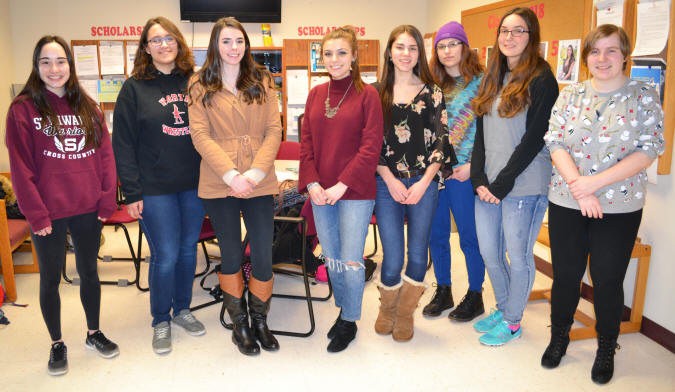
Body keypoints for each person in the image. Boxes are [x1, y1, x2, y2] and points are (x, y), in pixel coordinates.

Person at [541, 24, 664, 385]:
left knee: (608, 280)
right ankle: (559, 335)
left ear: (625, 54)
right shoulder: (571, 94)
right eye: (595, 51)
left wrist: (594, 184)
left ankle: (607, 345)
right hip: (567, 200)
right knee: (565, 274)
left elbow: (649, 149)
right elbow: (556, 142)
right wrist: (582, 189)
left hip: (620, 206)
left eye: (612, 50)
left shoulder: (642, 95)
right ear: (586, 58)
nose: (603, 58)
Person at [5, 35, 119, 376]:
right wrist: (35, 214)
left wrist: (106, 198)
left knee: (89, 273)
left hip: (87, 207)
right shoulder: (22, 110)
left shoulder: (89, 107)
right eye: (45, 62)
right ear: (36, 66)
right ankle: (57, 343)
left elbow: (105, 157)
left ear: (70, 66)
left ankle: (93, 333)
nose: (54, 69)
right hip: (48, 213)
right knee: (50, 280)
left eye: (60, 62)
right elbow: (21, 167)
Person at [188, 17, 282, 356]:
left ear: (246, 45)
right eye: (226, 42)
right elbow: (199, 135)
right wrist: (231, 176)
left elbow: (274, 129)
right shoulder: (199, 84)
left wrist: (255, 174)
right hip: (218, 180)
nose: (233, 48)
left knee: (262, 253)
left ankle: (259, 319)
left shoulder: (262, 79)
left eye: (239, 41)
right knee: (229, 253)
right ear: (216, 45)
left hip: (260, 177)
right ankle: (239, 324)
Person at [113, 17, 206, 355]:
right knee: (165, 255)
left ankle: (182, 309)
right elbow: (121, 144)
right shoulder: (133, 88)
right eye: (156, 40)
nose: (164, 44)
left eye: (169, 38)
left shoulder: (195, 83)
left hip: (194, 186)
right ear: (146, 47)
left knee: (186, 251)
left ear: (178, 42)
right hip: (154, 189)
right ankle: (160, 319)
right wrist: (132, 193)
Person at [469, 7, 558, 346]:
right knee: (490, 251)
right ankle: (504, 306)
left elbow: (534, 138)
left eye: (518, 31)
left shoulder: (542, 79)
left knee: (518, 257)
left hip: (523, 184)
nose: (509, 37)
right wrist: (479, 177)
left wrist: (502, 183)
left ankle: (512, 321)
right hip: (489, 185)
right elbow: (481, 133)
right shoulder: (493, 76)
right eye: (504, 31)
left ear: (531, 36)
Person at [298, 26, 383, 353]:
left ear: (354, 57)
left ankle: (349, 318)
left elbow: (370, 147)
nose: (334, 59)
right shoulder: (315, 94)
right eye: (328, 53)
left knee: (350, 259)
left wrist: (340, 185)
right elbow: (306, 144)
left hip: (355, 191)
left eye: (341, 53)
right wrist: (313, 183)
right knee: (331, 257)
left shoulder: (368, 95)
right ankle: (345, 312)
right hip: (320, 191)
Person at [373, 25, 454, 342]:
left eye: (412, 48)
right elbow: (370, 144)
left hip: (425, 182)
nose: (405, 54)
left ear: (420, 53)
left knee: (418, 255)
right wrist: (389, 178)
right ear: (389, 52)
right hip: (386, 183)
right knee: (392, 256)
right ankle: (387, 309)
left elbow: (441, 143)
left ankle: (405, 314)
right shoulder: (375, 93)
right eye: (400, 47)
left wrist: (424, 183)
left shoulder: (433, 92)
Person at [424, 21, 487, 322]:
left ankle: (476, 294)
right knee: (436, 235)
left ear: (464, 47)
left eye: (453, 44)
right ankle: (444, 289)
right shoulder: (430, 85)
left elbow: (493, 132)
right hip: (435, 173)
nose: (447, 50)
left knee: (469, 237)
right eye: (441, 45)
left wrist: (474, 167)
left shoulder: (483, 82)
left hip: (465, 173)